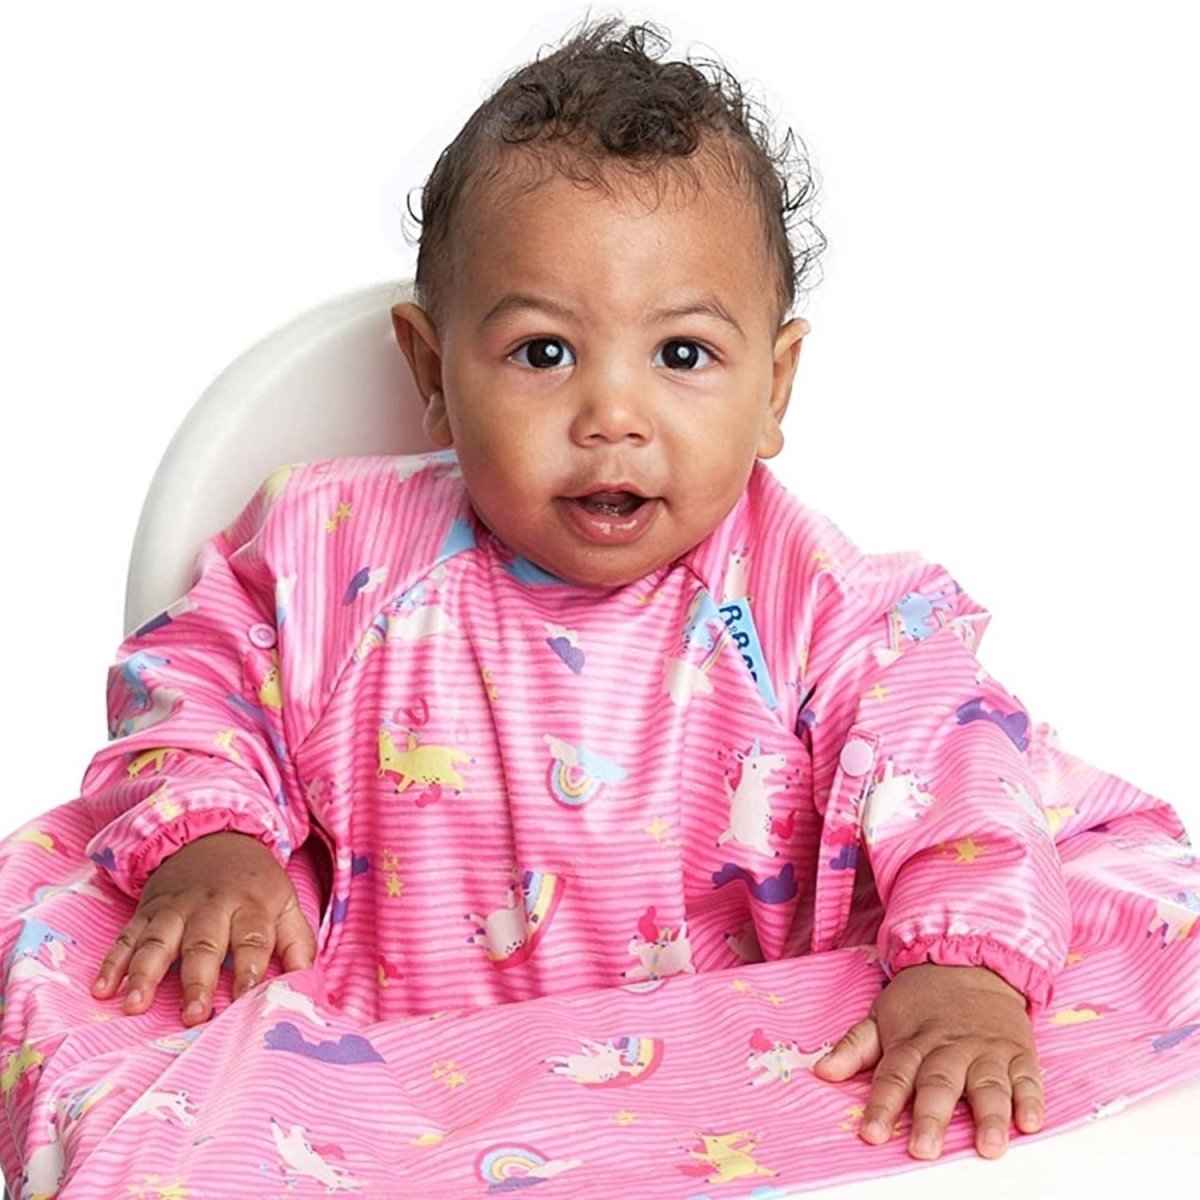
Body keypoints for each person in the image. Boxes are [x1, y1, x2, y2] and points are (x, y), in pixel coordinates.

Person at [2, 17, 1197, 1198]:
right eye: (542, 353)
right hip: (384, 1061)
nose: (611, 416)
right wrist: (213, 838)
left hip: (739, 1057)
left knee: (1098, 942)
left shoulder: (816, 604)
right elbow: (195, 672)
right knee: (82, 961)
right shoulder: (333, 554)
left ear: (774, 387)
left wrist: (962, 969)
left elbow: (954, 766)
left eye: (681, 355)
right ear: (431, 372)